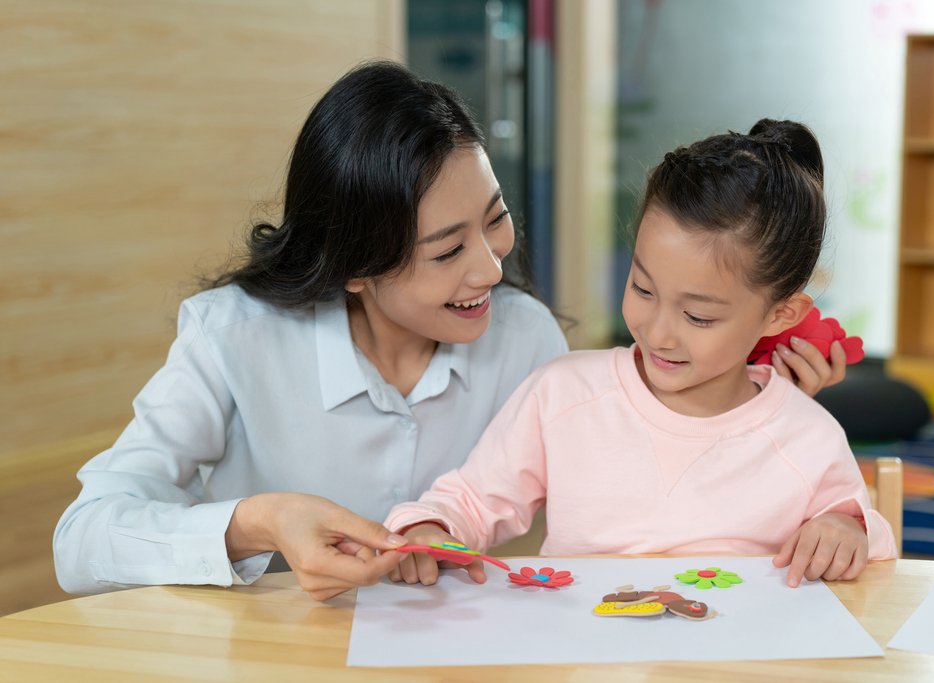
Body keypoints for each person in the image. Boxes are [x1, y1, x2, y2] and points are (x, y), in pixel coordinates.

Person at [53, 63, 848, 602]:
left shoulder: (526, 337)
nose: (492, 270)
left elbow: (633, 464)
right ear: (356, 266)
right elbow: (83, 539)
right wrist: (258, 521)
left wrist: (752, 402)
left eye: (496, 221)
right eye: (446, 251)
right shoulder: (232, 336)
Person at [385, 120, 897, 590]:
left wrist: (842, 528)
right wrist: (433, 525)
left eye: (698, 317)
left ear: (781, 315)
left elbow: (865, 546)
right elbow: (473, 500)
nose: (658, 333)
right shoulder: (564, 393)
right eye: (642, 288)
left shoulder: (807, 437)